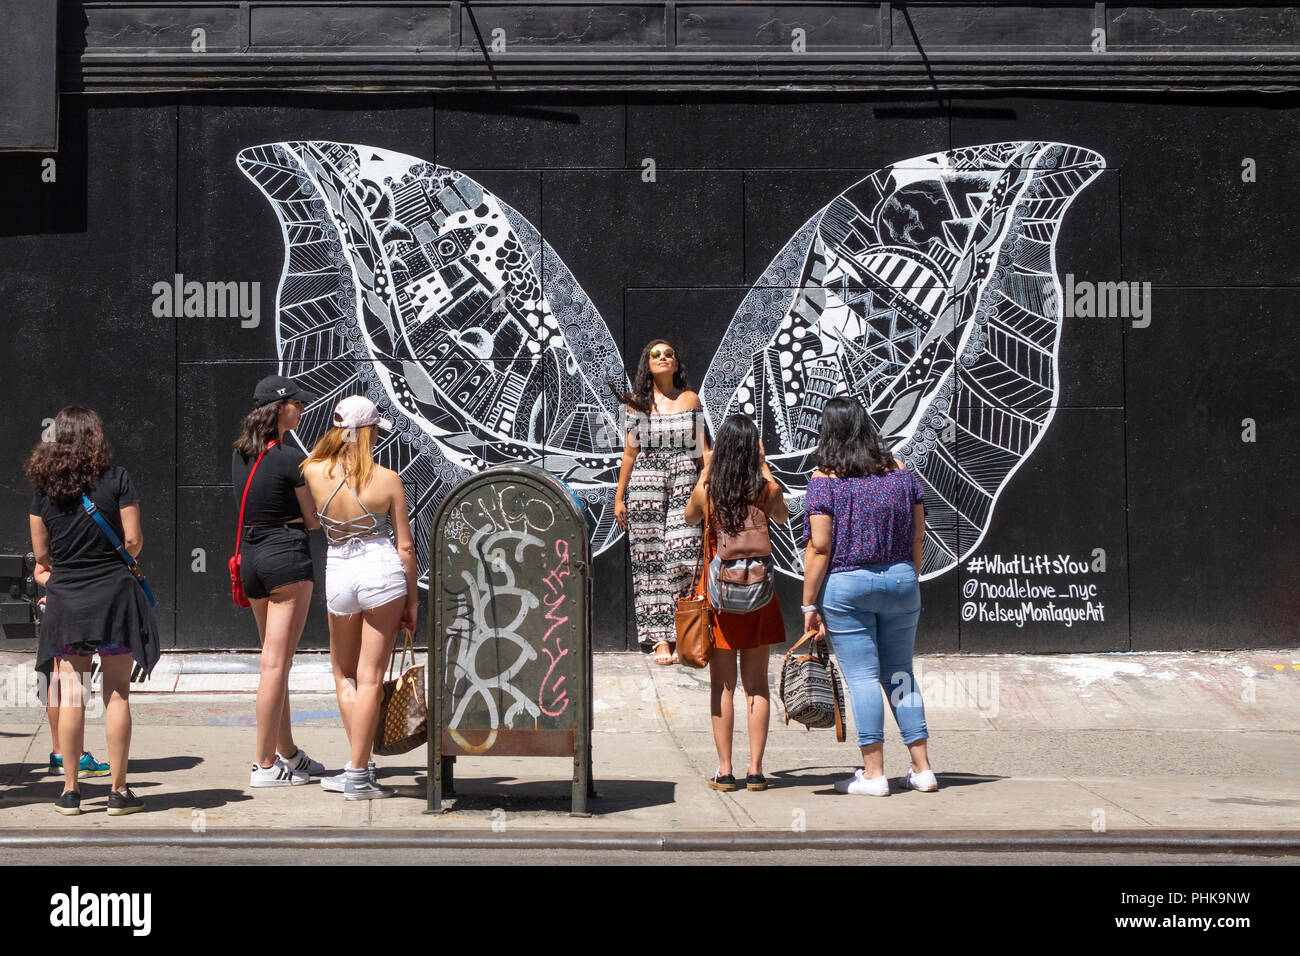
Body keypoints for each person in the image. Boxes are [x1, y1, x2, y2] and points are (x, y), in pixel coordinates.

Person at [26, 406, 160, 815]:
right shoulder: (117, 479)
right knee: (117, 693)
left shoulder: (44, 489)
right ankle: (118, 792)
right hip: (115, 598)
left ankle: (70, 791)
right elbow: (133, 540)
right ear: (96, 437)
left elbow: (43, 555)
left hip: (67, 601)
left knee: (72, 695)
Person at [800, 396, 937, 797]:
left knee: (861, 677)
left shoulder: (824, 480)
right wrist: (909, 574)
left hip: (849, 585)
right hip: (900, 579)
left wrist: (809, 603)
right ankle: (923, 769)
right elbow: (918, 534)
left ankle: (874, 774)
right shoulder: (901, 472)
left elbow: (820, 547)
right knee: (900, 674)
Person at [300, 395, 418, 800]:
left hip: (339, 568)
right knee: (371, 678)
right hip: (380, 568)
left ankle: (359, 769)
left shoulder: (312, 471)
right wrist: (412, 602)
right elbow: (405, 547)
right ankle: (357, 773)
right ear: (367, 431)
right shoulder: (387, 479)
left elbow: (308, 520)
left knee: (344, 675)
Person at [684, 415, 788, 792]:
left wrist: (706, 470)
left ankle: (725, 771)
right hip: (760, 597)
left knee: (722, 686)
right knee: (757, 685)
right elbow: (782, 515)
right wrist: (764, 467)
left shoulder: (710, 492)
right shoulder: (766, 491)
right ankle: (756, 771)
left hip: (721, 600)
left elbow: (689, 515)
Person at [232, 374, 325, 787]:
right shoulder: (291, 460)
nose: (302, 409)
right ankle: (264, 765)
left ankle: (287, 753)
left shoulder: (239, 455)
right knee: (274, 664)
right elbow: (312, 520)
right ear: (279, 407)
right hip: (285, 559)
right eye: (297, 403)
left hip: (251, 559)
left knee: (276, 663)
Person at [611, 340, 710, 665]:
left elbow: (702, 450)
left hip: (684, 478)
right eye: (656, 354)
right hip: (645, 483)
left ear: (676, 360)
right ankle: (661, 640)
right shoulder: (637, 405)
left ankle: (687, 631)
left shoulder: (690, 399)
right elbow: (630, 452)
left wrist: (711, 482)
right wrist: (619, 495)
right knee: (650, 560)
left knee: (682, 554)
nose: (663, 357)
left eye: (669, 352)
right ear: (647, 363)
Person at [35, 560, 111, 779]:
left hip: (62, 599)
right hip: (86, 602)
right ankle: (75, 758)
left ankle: (60, 754)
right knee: (79, 680)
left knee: (59, 672)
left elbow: (40, 569)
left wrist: (59, 588)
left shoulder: (48, 524)